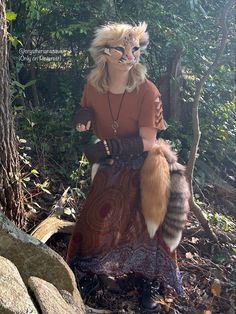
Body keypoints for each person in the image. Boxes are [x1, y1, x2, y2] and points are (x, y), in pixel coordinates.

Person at [66, 22, 189, 312]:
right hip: (110, 164)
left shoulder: (148, 91)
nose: (130, 56)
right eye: (121, 49)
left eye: (134, 49)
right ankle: (90, 273)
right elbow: (87, 107)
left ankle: (150, 282)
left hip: (144, 163)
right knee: (95, 218)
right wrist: (83, 116)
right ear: (104, 53)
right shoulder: (93, 85)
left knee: (148, 223)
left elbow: (148, 140)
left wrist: (108, 147)